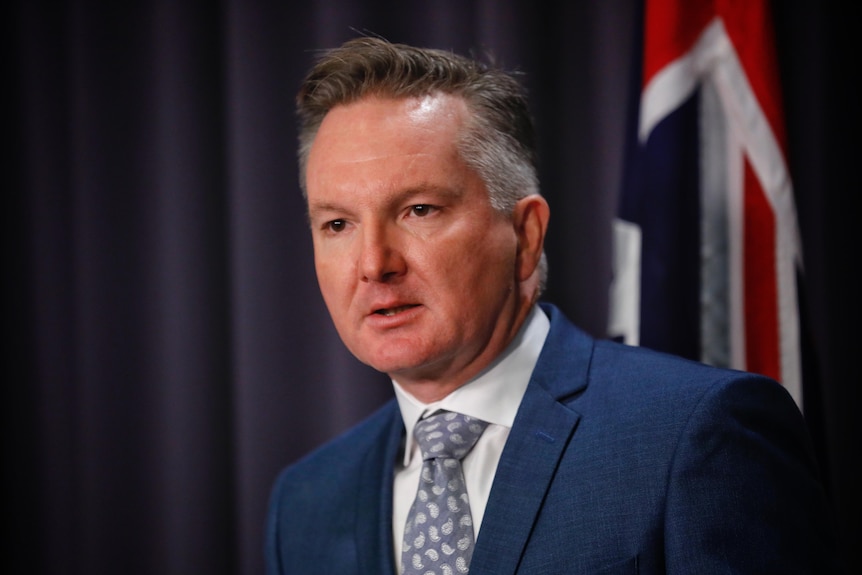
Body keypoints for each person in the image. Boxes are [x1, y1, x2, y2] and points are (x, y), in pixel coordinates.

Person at [265, 37, 839, 575]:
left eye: (419, 210)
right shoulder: (307, 500)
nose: (373, 263)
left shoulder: (698, 435)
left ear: (525, 233)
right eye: (337, 223)